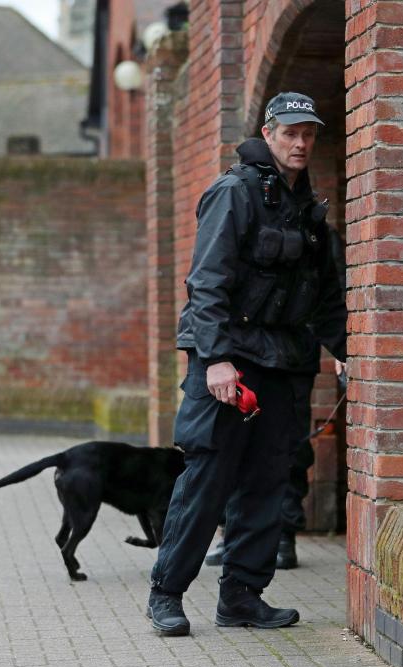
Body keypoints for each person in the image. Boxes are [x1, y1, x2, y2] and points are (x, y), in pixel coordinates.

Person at [146, 92, 347, 635]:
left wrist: (353, 354)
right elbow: (206, 281)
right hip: (230, 362)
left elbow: (326, 298)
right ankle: (166, 593)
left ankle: (241, 597)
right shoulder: (234, 193)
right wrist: (214, 359)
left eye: (309, 134)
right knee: (209, 477)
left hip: (285, 364)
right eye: (290, 132)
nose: (300, 142)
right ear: (269, 131)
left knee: (268, 480)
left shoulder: (309, 211)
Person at [204, 231, 347, 571]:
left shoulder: (318, 231)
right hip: (246, 354)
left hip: (294, 356)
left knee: (289, 446)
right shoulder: (244, 216)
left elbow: (334, 293)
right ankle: (233, 533)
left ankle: (283, 534)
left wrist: (344, 347)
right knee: (235, 444)